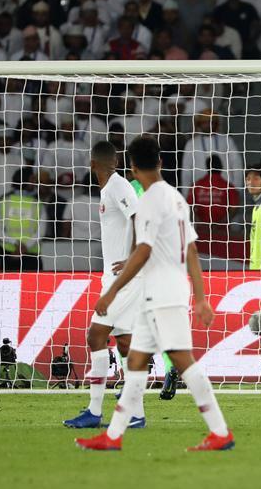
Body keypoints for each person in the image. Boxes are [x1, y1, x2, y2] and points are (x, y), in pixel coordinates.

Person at [77, 136, 234, 452]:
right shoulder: (176, 197)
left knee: (182, 359)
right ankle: (113, 436)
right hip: (158, 293)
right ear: (160, 162)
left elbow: (144, 250)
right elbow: (191, 249)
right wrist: (201, 296)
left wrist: (112, 292)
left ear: (132, 168)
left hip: (163, 293)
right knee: (134, 360)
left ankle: (220, 432)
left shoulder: (149, 201)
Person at [63, 141, 147, 430]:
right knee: (124, 343)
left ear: (92, 164)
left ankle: (94, 411)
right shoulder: (110, 187)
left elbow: (138, 217)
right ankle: (136, 413)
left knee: (95, 336)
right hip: (117, 277)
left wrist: (133, 257)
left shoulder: (117, 186)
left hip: (122, 279)